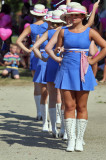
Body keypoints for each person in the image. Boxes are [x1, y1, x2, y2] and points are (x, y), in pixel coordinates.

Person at [53, 3, 106, 152]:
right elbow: (57, 50)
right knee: (69, 106)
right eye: (71, 15)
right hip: (66, 70)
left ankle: (79, 140)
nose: (73, 17)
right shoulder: (63, 32)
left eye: (76, 15)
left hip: (83, 71)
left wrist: (92, 60)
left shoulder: (90, 31)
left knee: (81, 106)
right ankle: (70, 140)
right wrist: (58, 50)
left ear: (83, 16)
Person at [32, 10, 66, 138]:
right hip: (63, 63)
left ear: (51, 21)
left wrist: (44, 58)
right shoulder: (65, 31)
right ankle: (63, 128)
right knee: (63, 96)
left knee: (51, 96)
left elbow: (35, 47)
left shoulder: (48, 32)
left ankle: (52, 127)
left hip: (51, 63)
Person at [16, 4, 49, 130]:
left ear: (34, 14)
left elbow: (18, 40)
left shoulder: (31, 27)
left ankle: (39, 113)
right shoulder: (48, 25)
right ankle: (45, 111)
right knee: (48, 84)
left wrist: (28, 50)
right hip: (47, 52)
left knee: (37, 84)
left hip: (35, 55)